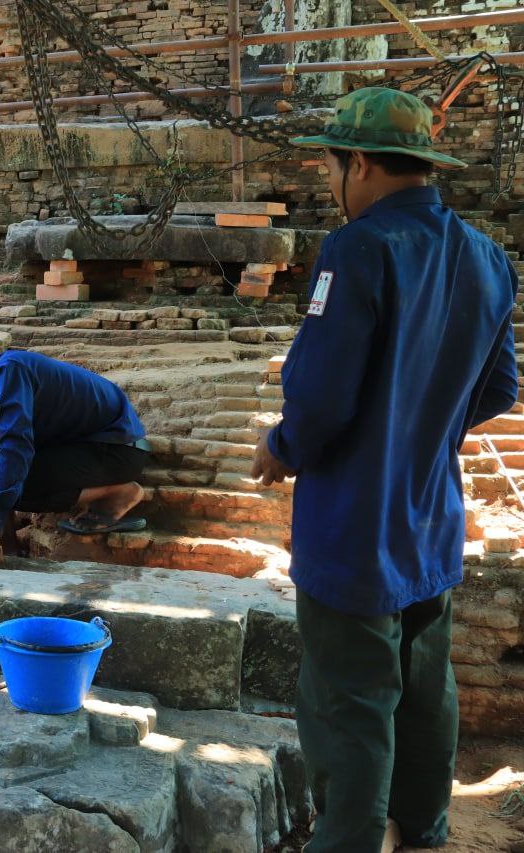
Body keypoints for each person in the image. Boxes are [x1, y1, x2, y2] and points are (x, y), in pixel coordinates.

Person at [250, 88, 518, 852]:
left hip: (351, 529)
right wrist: (424, 425)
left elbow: (321, 400)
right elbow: (500, 386)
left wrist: (279, 447)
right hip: (431, 521)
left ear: (360, 164)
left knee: (348, 703)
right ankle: (424, 829)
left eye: (332, 166)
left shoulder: (357, 249)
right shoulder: (486, 257)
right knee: (425, 688)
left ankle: (349, 839)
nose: (330, 182)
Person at [0, 351, 151, 561]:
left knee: (12, 483)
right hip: (78, 448)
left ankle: (118, 493)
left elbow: (15, 449)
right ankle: (10, 554)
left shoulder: (10, 375)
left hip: (118, 450)